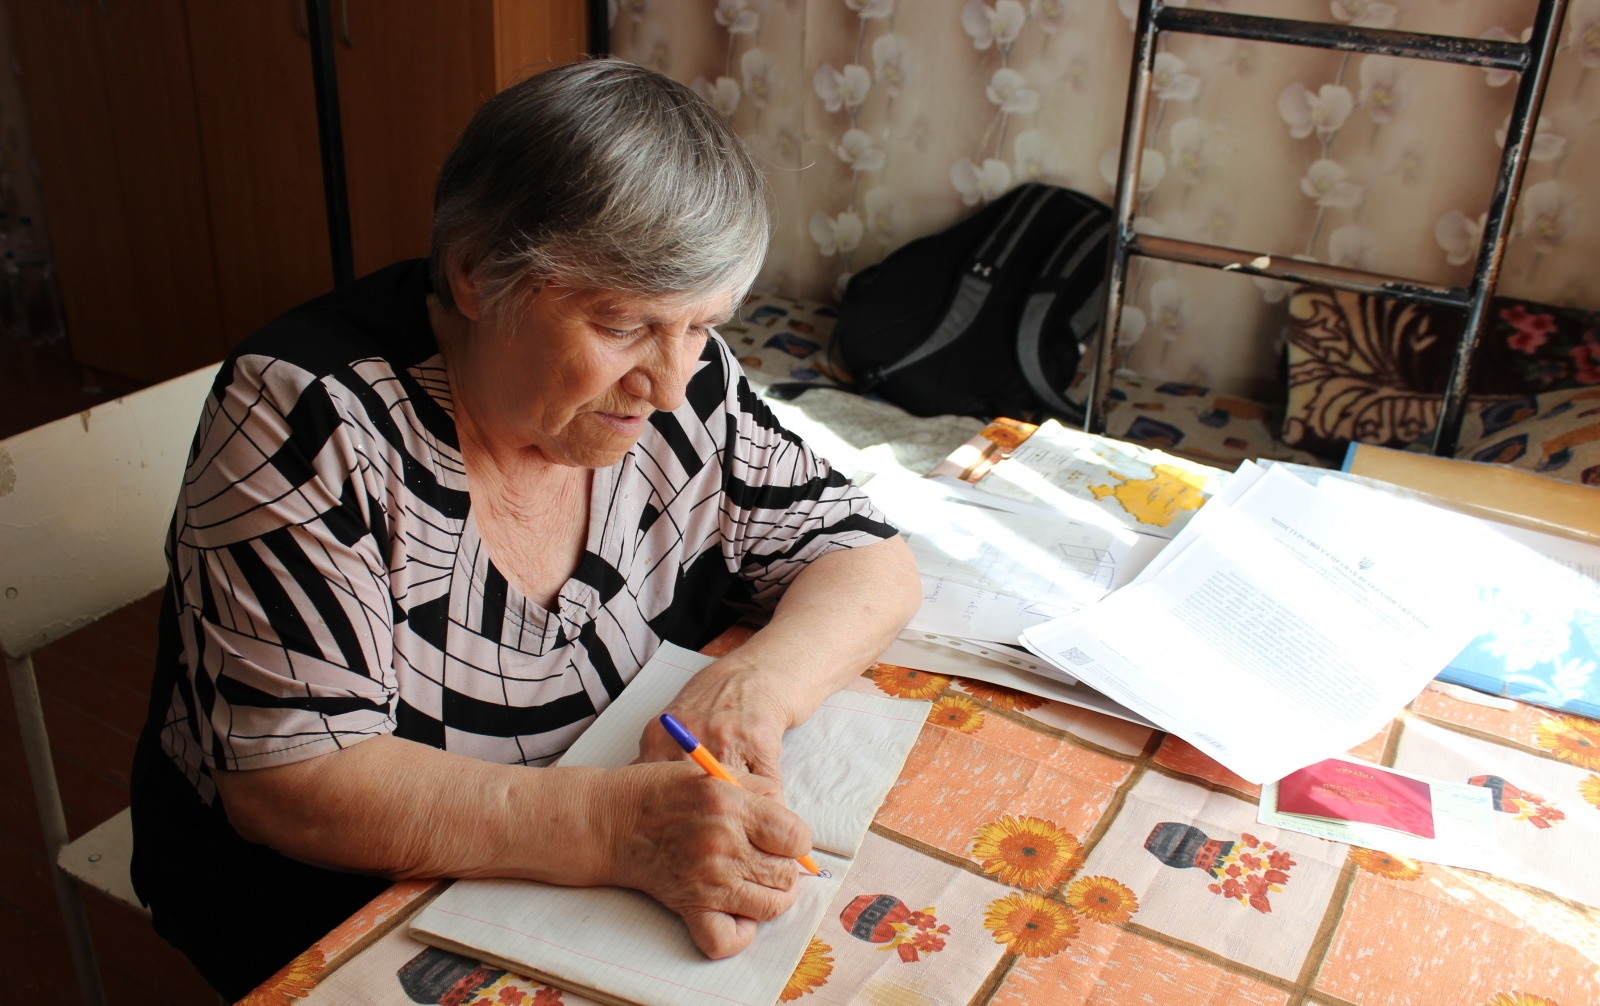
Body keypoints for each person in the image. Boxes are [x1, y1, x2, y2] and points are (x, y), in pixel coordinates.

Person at [129, 57, 920, 999]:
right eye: (623, 324)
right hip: (337, 897)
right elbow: (288, 787)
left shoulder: (680, 376)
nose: (669, 386)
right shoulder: (309, 413)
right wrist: (617, 832)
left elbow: (867, 556)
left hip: (581, 836)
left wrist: (753, 687)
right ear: (472, 272)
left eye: (701, 325)